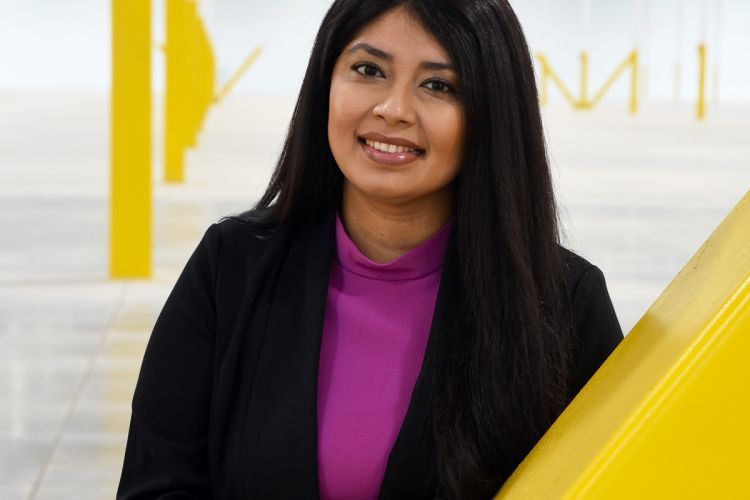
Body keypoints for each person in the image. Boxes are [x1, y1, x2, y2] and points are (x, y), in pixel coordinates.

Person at [117, 0, 623, 498]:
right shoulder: (231, 267)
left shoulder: (565, 304)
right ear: (326, 86)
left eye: (438, 85)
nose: (393, 110)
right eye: (368, 69)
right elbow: (156, 486)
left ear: (492, 114)